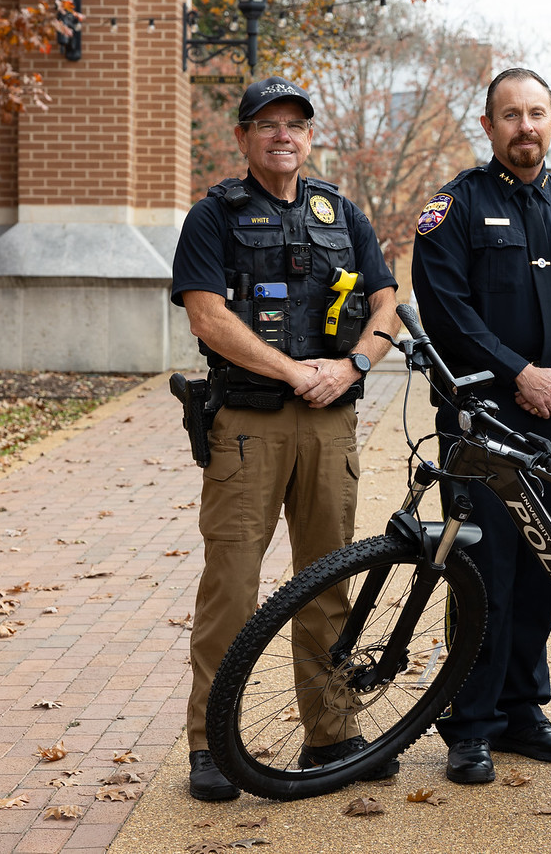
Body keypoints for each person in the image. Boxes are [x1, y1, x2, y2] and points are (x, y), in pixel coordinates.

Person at [170, 75, 401, 801]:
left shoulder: (341, 212)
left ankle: (331, 732)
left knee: (328, 579)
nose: (282, 135)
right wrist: (294, 371)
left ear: (308, 136)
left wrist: (355, 364)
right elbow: (207, 315)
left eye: (294, 124)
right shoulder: (213, 216)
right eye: (266, 124)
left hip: (331, 422)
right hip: (249, 424)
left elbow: (387, 301)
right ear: (243, 137)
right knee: (232, 586)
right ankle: (211, 744)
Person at [411, 67, 551, 785]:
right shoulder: (456, 206)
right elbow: (447, 310)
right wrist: (520, 374)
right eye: (511, 115)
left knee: (546, 564)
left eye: (536, 113)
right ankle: (469, 722)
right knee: (482, 568)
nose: (525, 126)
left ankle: (522, 709)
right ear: (489, 126)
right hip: (485, 416)